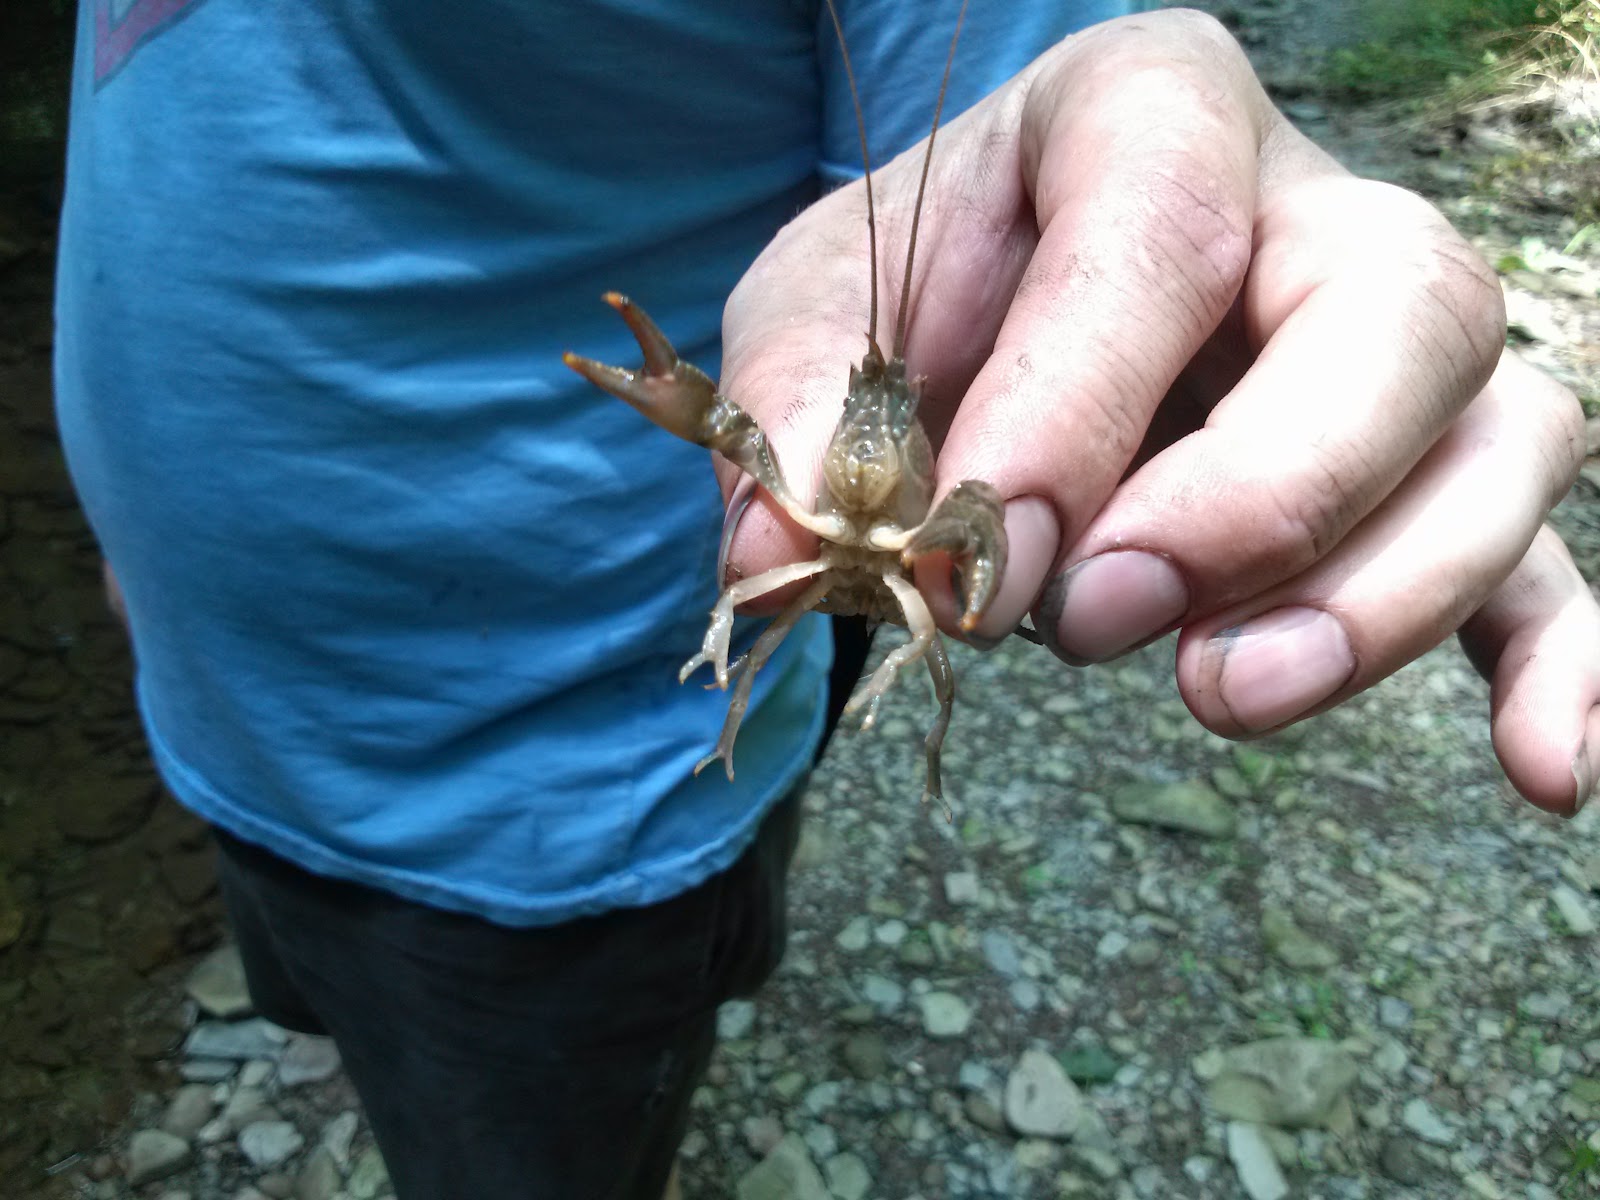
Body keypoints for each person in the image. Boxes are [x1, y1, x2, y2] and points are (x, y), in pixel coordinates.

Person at [54, 1, 1594, 1198]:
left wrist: (1196, 290)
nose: (868, 406)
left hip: (558, 826)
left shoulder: (859, 451)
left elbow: (1060, 120)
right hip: (228, 719)